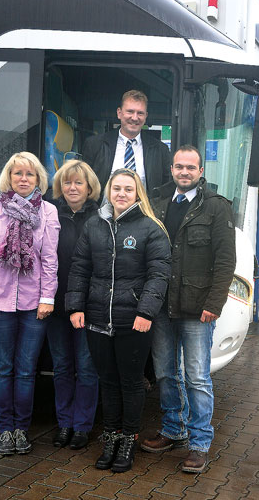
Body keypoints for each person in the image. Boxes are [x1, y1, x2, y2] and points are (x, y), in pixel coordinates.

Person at [66, 168, 171, 473]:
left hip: (133, 321)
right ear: (108, 192)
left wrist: (145, 312)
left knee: (131, 382)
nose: (121, 194)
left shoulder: (151, 228)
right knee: (108, 382)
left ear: (137, 193)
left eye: (128, 189)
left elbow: (159, 274)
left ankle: (128, 438)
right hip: (97, 318)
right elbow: (80, 267)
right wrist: (75, 306)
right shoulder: (94, 225)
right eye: (117, 189)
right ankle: (110, 436)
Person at [141, 145, 236, 473]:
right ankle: (173, 429)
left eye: (190, 167)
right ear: (172, 169)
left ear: (200, 171)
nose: (184, 172)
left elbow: (226, 261)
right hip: (162, 306)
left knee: (196, 377)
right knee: (166, 373)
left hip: (198, 309)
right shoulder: (158, 202)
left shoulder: (216, 207)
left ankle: (199, 443)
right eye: (179, 167)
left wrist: (215, 303)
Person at [0, 151, 60, 456]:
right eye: (18, 173)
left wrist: (48, 298)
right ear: (8, 177)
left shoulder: (48, 213)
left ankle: (22, 429)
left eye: (29, 174)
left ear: (39, 180)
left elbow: (49, 260)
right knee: (4, 368)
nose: (23, 179)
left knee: (26, 370)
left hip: (35, 306)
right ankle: (5, 430)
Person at [47, 160, 101, 450]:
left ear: (89, 187)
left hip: (88, 307)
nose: (72, 187)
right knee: (62, 367)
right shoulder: (49, 214)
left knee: (87, 368)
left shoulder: (100, 219)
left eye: (79, 182)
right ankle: (64, 423)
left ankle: (82, 426)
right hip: (55, 305)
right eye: (67, 182)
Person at [81, 89, 172, 195]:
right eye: (130, 111)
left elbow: (166, 190)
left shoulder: (160, 150)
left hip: (143, 211)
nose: (134, 118)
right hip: (103, 210)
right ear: (119, 113)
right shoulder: (95, 145)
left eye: (140, 113)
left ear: (146, 116)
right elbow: (84, 184)